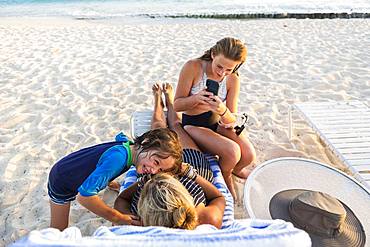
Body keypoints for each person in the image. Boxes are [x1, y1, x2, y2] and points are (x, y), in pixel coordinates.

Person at [114, 83, 225, 229]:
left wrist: (142, 183)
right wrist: (192, 175)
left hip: (159, 171)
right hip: (190, 166)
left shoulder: (138, 223)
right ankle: (170, 103)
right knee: (176, 125)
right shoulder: (203, 217)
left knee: (158, 131)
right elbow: (218, 197)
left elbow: (122, 198)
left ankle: (158, 102)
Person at [47, 126, 183, 231]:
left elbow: (120, 137)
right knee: (59, 232)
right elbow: (84, 197)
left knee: (104, 170)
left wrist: (110, 181)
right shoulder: (118, 159)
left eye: (159, 170)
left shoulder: (130, 147)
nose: (153, 170)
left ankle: (108, 181)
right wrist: (118, 217)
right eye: (156, 161)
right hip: (62, 181)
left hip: (72, 165)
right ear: (145, 142)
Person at [173, 37, 256, 199]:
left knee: (248, 155)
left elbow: (232, 119)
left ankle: (235, 170)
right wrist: (196, 99)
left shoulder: (233, 79)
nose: (222, 73)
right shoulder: (193, 67)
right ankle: (225, 174)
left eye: (229, 69)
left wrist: (222, 110)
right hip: (193, 125)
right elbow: (177, 105)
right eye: (219, 66)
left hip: (217, 123)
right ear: (213, 54)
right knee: (232, 152)